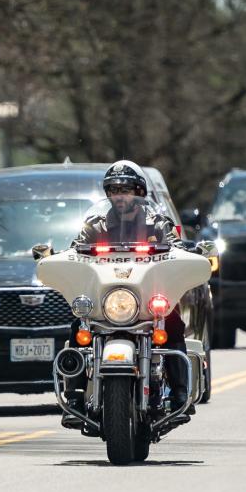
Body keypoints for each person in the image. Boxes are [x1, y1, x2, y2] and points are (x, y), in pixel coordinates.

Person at [67, 161, 190, 415]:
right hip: (108, 299)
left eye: (126, 189)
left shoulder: (158, 224)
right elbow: (74, 249)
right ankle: (74, 394)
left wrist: (188, 252)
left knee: (174, 321)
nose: (119, 195)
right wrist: (61, 255)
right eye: (113, 190)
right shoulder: (95, 226)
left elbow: (177, 249)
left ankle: (180, 392)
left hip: (146, 298)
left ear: (139, 193)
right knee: (78, 324)